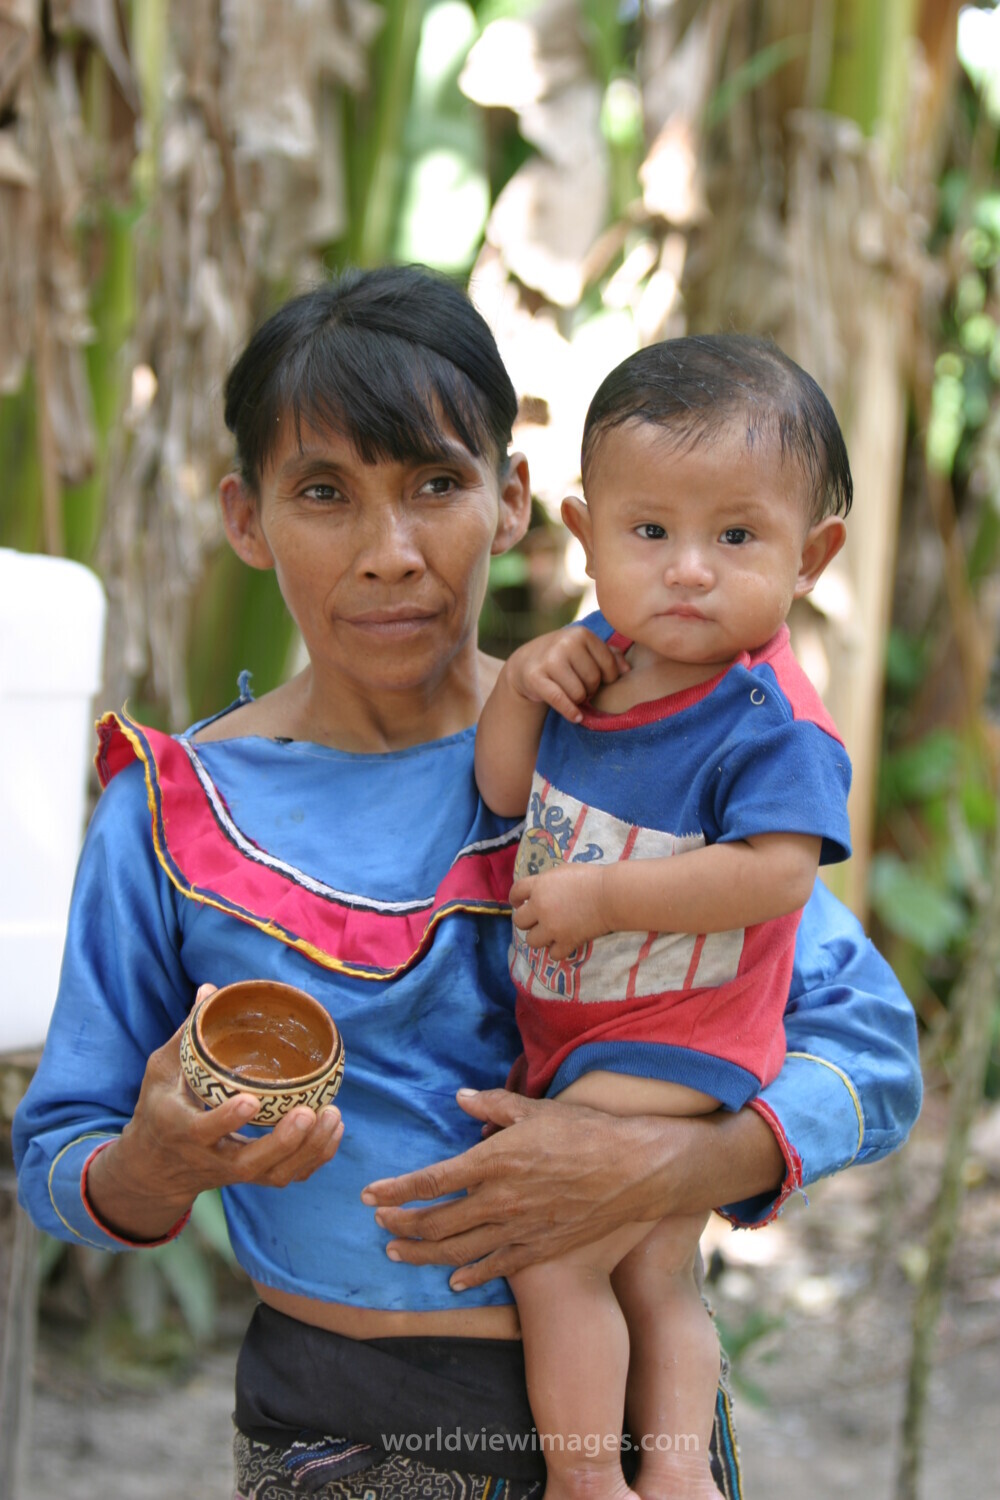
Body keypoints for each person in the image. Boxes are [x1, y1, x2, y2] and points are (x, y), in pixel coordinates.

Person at [12, 266, 921, 1500]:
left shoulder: (645, 746)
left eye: (434, 486)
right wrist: (159, 1164)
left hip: (649, 1432)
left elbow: (869, 1051)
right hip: (344, 1431)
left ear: (510, 501)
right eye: (324, 494)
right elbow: (63, 1152)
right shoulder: (173, 816)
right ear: (245, 517)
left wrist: (671, 1167)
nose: (389, 554)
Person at [474, 335, 853, 1500]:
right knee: (649, 1271)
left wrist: (605, 898)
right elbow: (499, 793)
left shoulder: (769, 717)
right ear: (586, 536)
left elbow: (774, 877)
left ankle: (594, 1482)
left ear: (810, 555)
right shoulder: (595, 658)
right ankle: (679, 1477)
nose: (688, 570)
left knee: (551, 1257)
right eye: (650, 533)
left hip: (678, 1035)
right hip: (589, 1028)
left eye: (735, 536)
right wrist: (518, 685)